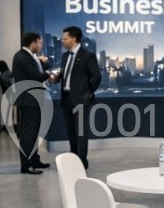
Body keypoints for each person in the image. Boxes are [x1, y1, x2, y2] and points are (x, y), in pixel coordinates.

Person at [56, 26, 100, 168]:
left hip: (81, 99)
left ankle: (82, 161)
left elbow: (96, 77)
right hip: (67, 98)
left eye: (65, 38)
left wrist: (88, 92)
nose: (62, 41)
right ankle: (73, 158)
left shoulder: (87, 55)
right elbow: (66, 75)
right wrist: (57, 78)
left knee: (80, 131)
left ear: (74, 39)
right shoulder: (65, 56)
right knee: (70, 131)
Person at [11, 31, 50, 174]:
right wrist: (49, 72)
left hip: (32, 100)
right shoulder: (23, 57)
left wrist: (42, 64)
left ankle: (34, 160)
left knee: (33, 133)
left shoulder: (28, 57)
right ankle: (26, 164)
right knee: (28, 134)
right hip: (29, 100)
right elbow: (37, 77)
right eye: (40, 42)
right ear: (33, 43)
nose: (41, 45)